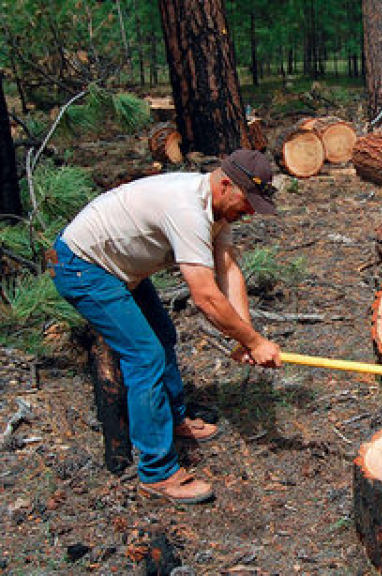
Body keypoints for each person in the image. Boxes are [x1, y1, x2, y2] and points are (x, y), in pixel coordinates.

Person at [48, 149, 283, 504]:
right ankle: (157, 474)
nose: (249, 212)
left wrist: (248, 338)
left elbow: (228, 271)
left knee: (163, 337)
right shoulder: (187, 210)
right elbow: (205, 297)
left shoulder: (217, 209)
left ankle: (172, 420)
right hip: (84, 268)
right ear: (224, 184)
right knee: (145, 357)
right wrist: (254, 341)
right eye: (247, 201)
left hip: (118, 267)